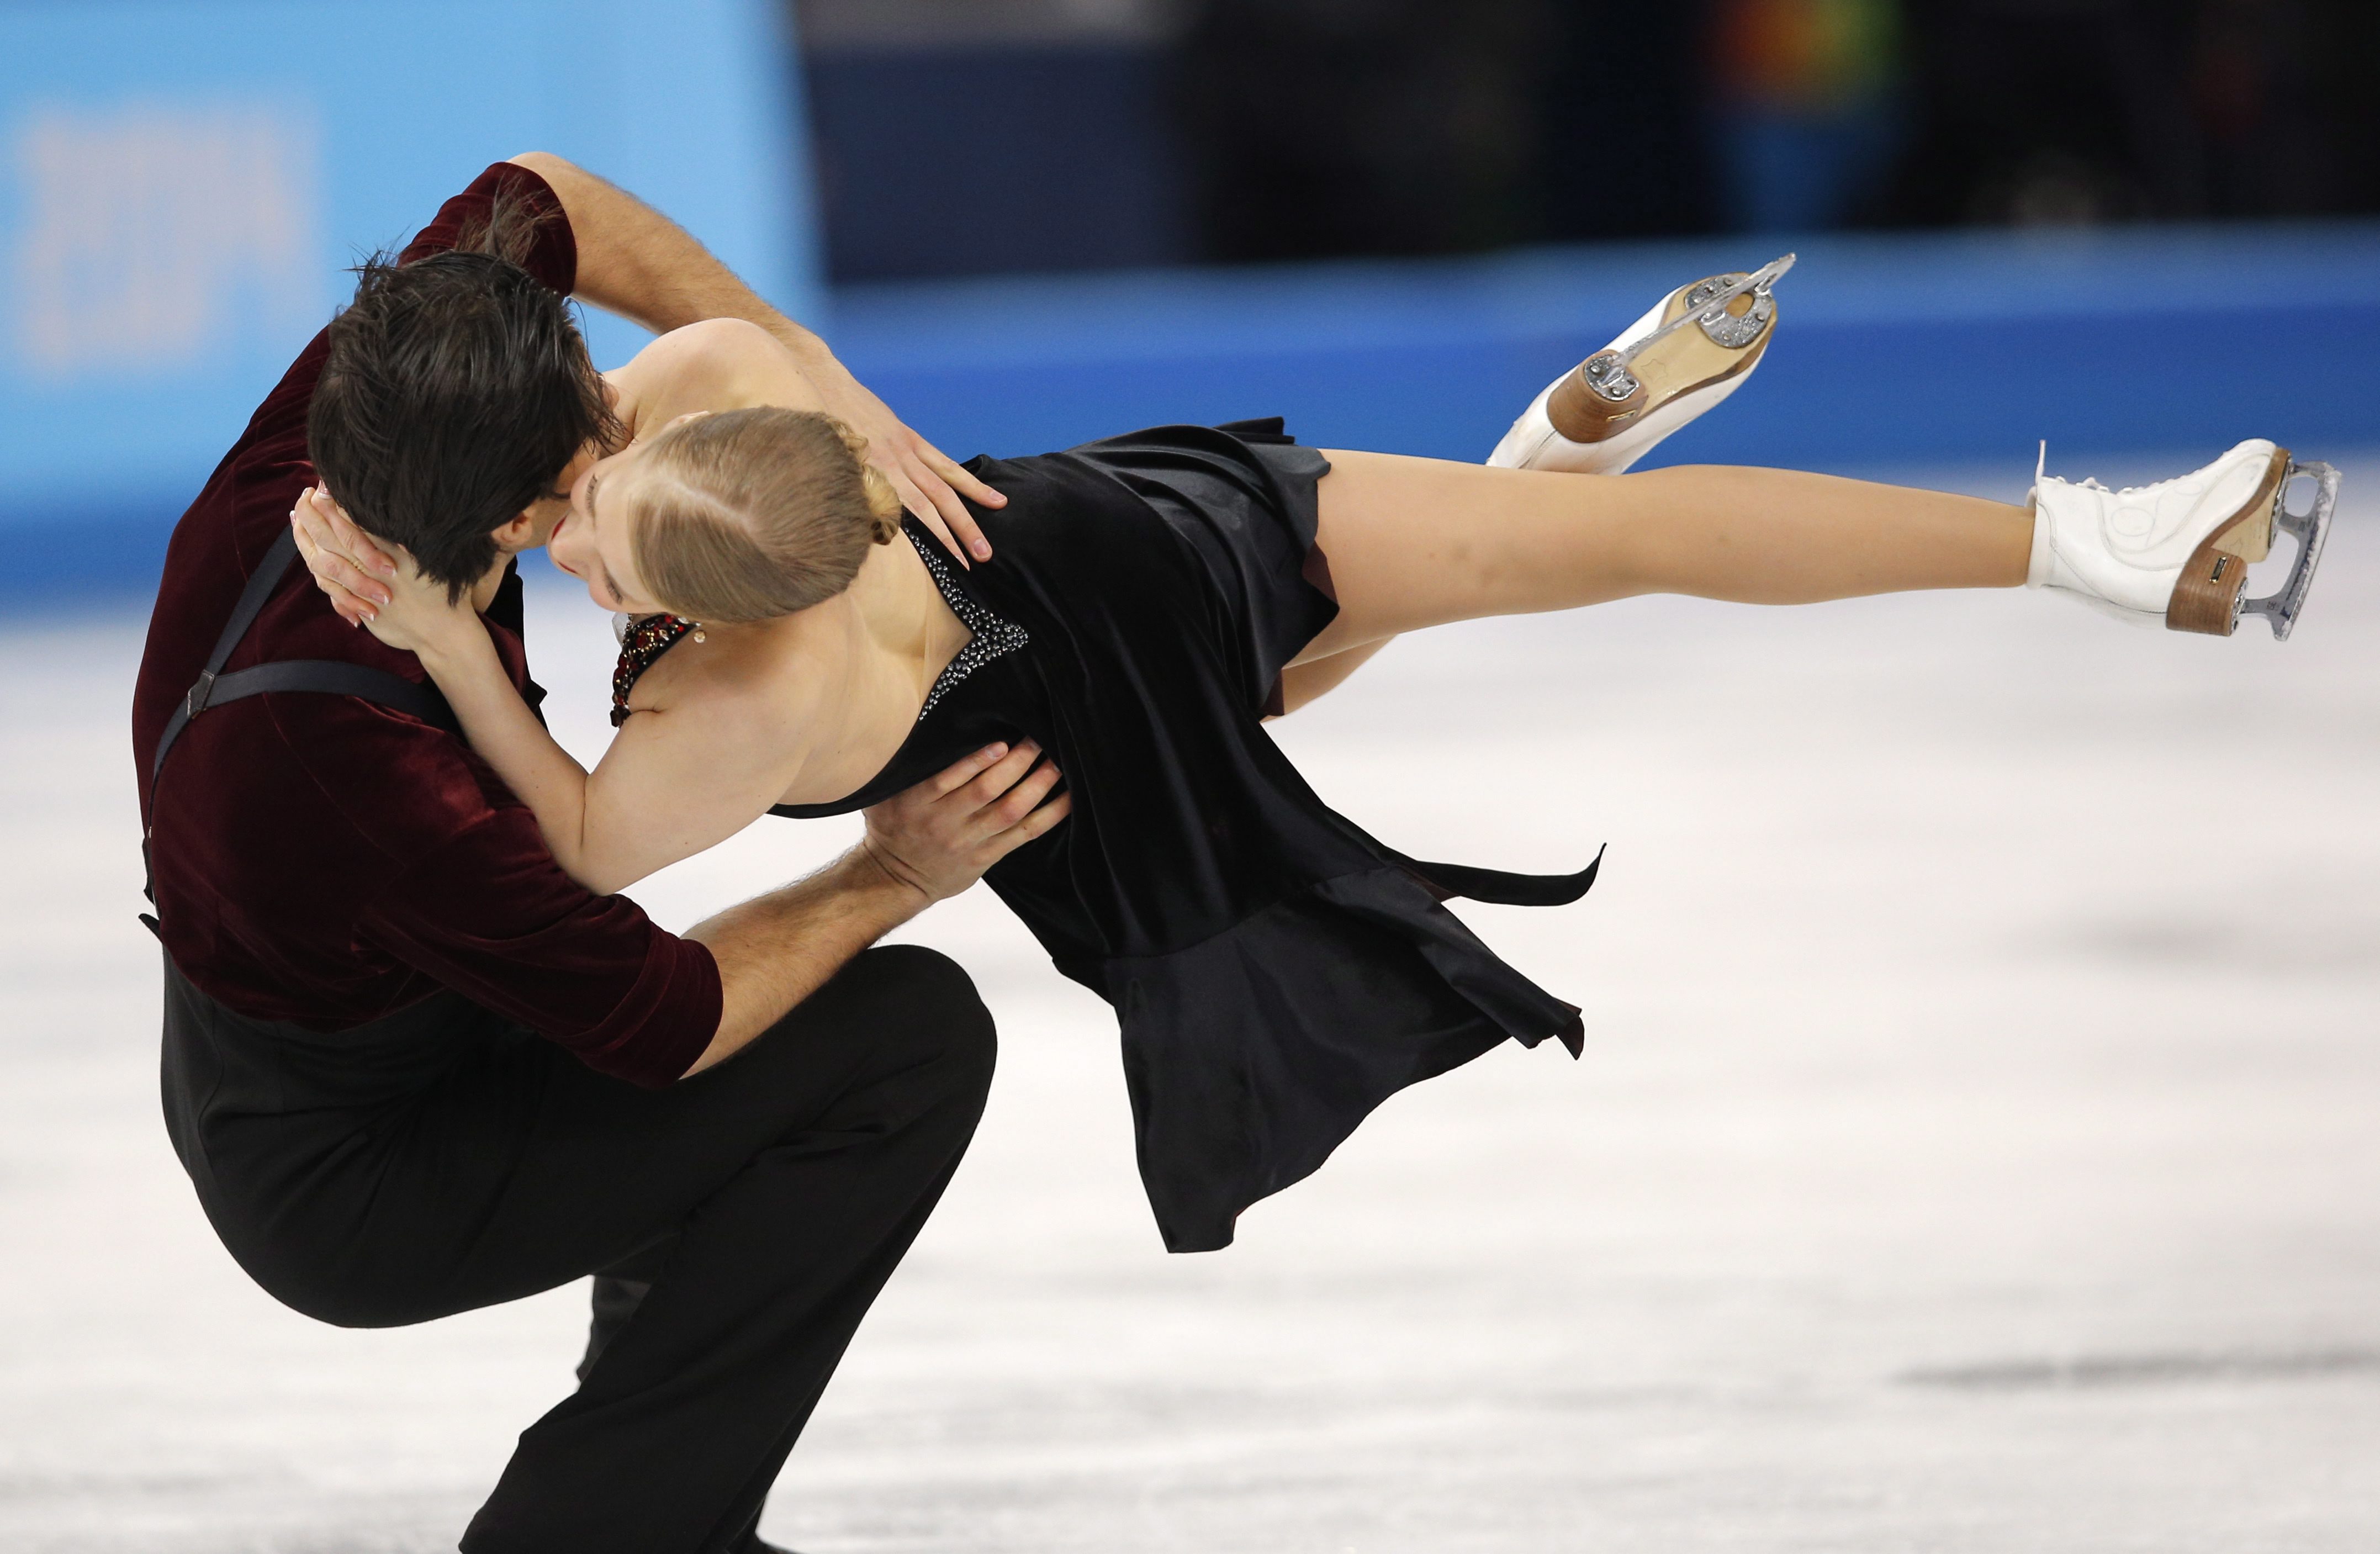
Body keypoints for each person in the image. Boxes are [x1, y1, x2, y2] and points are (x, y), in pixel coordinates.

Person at [293, 219, 2338, 1265]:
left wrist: (445, 643)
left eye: (554, 546)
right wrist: (617, 477)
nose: (555, 569)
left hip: (1062, 726)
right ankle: (2124, 543)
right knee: (1576, 556)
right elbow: (700, 382)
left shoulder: (737, 711)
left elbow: (573, 850)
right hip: (1118, 542)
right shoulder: (731, 373)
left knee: (1326, 690)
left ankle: (1530, 489)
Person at [133, 156, 1067, 1553]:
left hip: (381, 991)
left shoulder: (382, 409)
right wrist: (889, 874)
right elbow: (661, 1025)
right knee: (904, 1036)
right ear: (517, 525)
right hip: (356, 1175)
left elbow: (546, 193)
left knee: (782, 1034)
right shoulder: (349, 771)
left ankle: (647, 1511)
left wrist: (811, 364)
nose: (628, 445)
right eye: (596, 469)